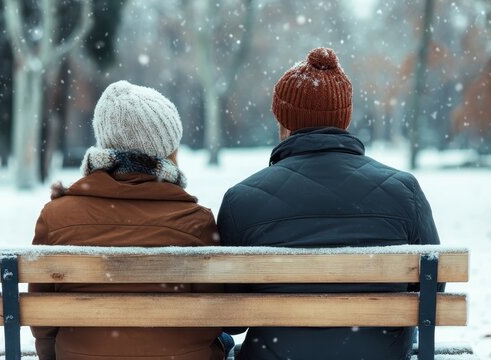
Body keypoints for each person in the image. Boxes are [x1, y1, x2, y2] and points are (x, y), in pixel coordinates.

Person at [217, 48, 441, 360]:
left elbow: (230, 317)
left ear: (283, 121)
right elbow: (433, 291)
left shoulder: (241, 200)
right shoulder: (404, 190)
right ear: (344, 120)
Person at [30, 80, 226, 360]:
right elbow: (216, 314)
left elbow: (43, 320)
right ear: (167, 149)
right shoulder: (196, 221)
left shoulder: (56, 217)